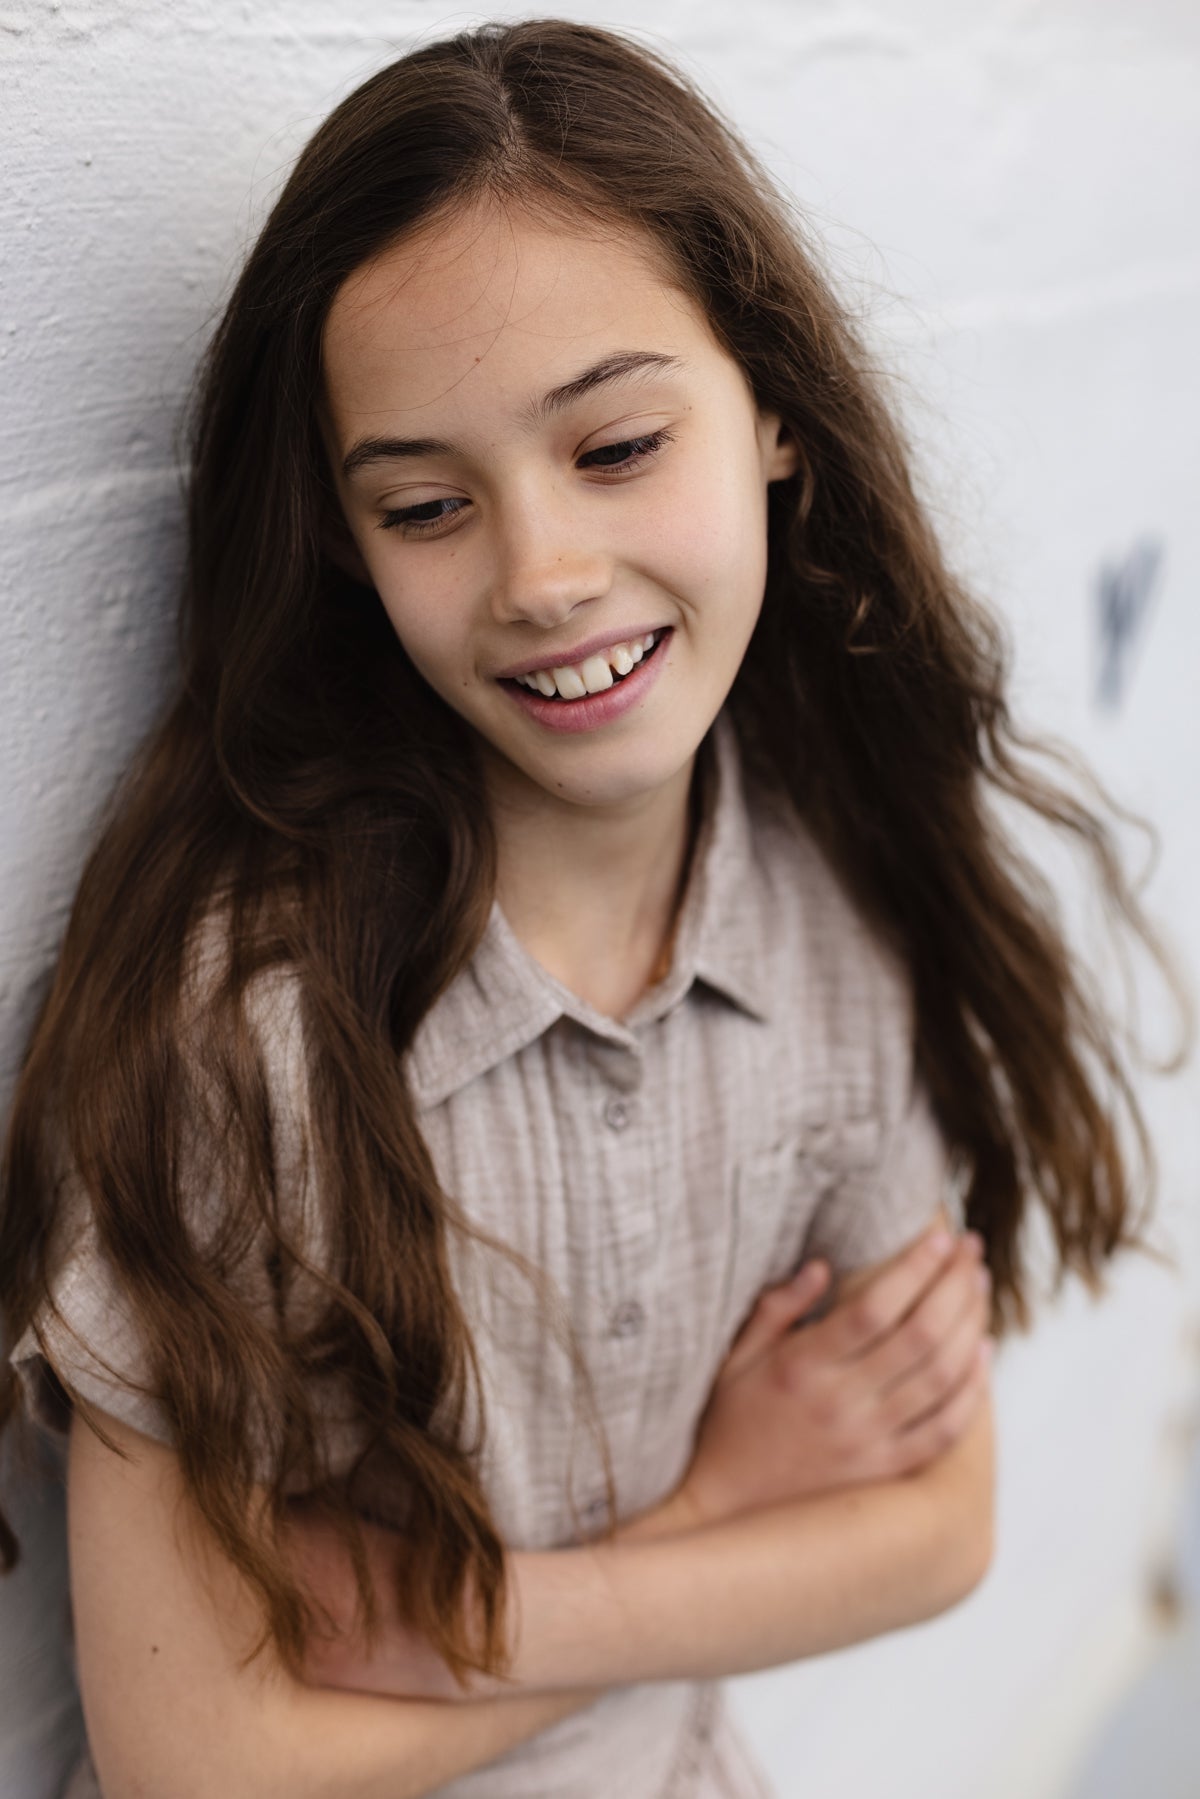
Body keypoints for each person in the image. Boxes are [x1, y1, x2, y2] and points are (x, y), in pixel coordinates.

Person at [0, 19, 1172, 1799]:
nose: (542, 575)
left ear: (776, 415)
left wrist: (455, 1622)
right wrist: (720, 1521)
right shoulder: (246, 1035)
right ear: (343, 538)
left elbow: (936, 1526)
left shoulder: (831, 925)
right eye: (425, 504)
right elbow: (197, 1760)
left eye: (616, 446)